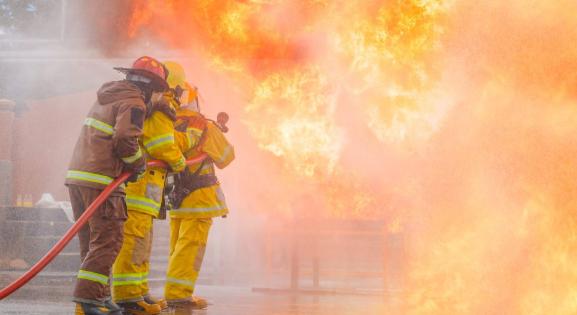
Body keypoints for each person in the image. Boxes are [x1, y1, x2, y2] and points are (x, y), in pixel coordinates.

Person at [65, 56, 169, 315]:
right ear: (147, 87)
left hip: (79, 177)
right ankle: (89, 301)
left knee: (92, 242)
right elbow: (124, 139)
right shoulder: (134, 102)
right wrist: (137, 164)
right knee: (108, 240)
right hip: (102, 180)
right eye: (154, 91)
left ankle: (99, 297)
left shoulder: (108, 96)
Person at [111, 61, 189, 315]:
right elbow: (161, 144)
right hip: (138, 190)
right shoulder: (161, 107)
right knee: (133, 242)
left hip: (147, 191)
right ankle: (128, 297)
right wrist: (179, 162)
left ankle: (139, 291)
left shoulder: (155, 104)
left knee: (142, 243)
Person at [164, 81, 235, 311]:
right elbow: (226, 157)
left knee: (177, 246)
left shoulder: (167, 124)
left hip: (176, 198)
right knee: (190, 247)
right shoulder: (203, 126)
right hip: (200, 200)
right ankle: (178, 294)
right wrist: (215, 134)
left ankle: (174, 291)